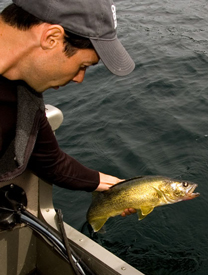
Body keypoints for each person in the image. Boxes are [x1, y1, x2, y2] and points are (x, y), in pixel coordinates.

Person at [0, 0, 136, 216]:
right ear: (51, 38)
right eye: (83, 66)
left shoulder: (25, 97)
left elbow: (51, 161)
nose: (79, 79)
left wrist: (121, 189)